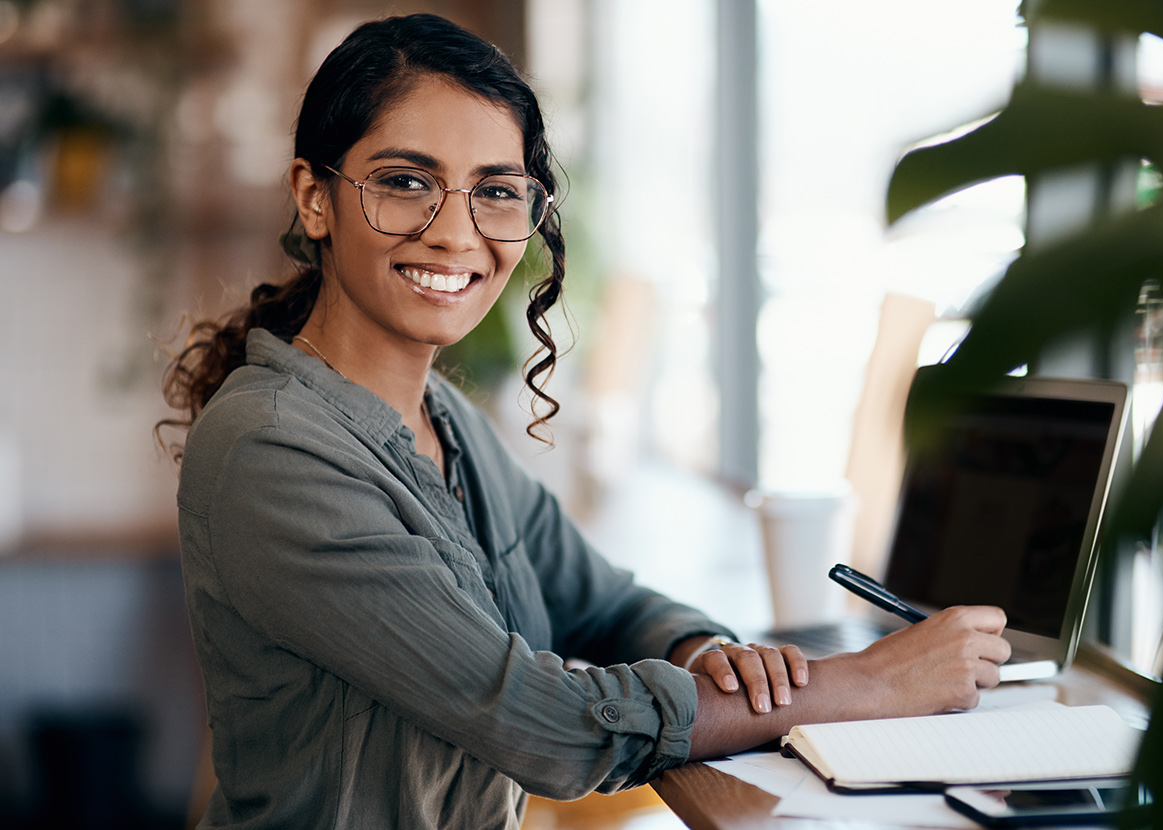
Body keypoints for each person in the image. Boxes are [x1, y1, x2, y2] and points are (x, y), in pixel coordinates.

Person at [159, 13, 1011, 829]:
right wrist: (864, 684)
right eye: (406, 182)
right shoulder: (271, 448)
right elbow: (550, 728)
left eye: (495, 192)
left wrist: (708, 654)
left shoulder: (443, 420)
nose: (456, 232)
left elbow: (603, 604)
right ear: (315, 198)